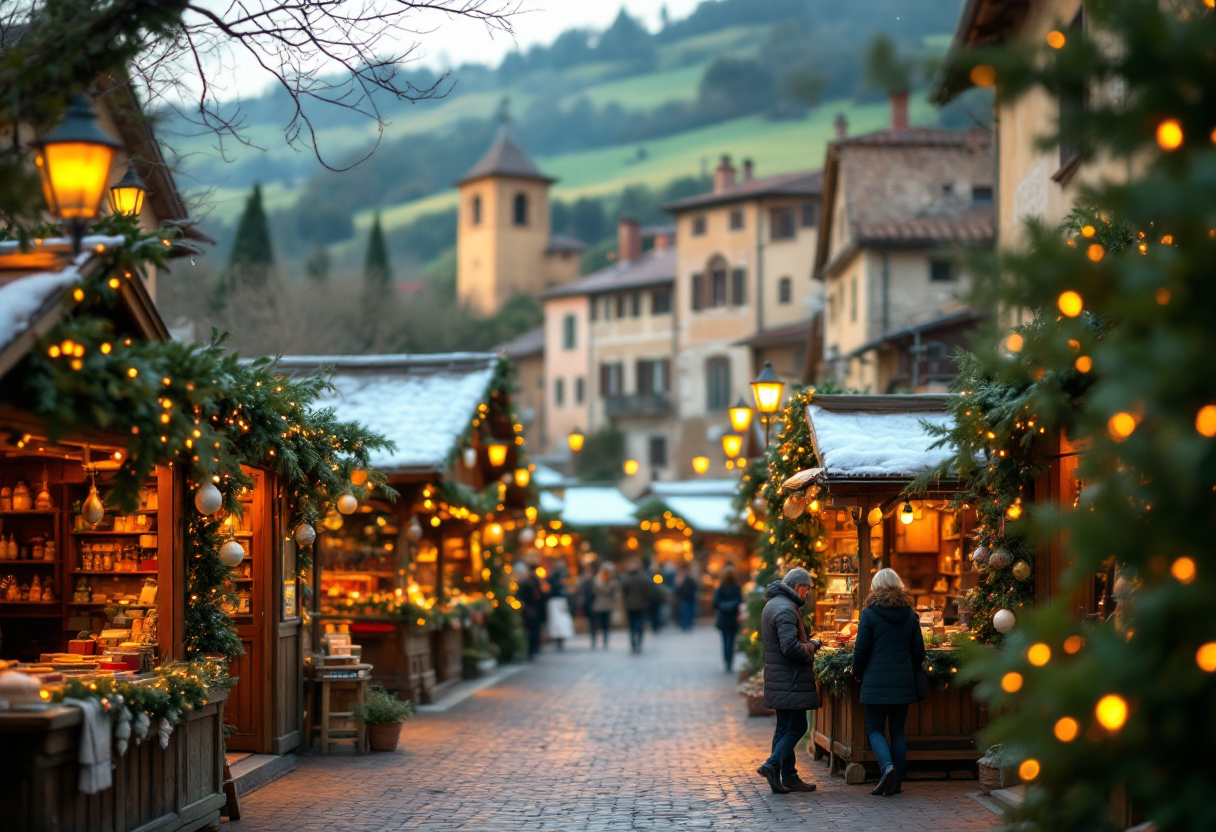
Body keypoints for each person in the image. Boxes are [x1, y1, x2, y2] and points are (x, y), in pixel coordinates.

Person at [851, 568, 926, 797]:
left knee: (875, 729)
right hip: (903, 682)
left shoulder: (869, 614)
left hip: (875, 681)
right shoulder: (911, 615)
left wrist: (857, 671)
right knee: (898, 732)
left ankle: (887, 768)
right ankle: (897, 780)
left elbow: (861, 649)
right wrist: (907, 670)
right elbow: (919, 652)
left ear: (875, 587)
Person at [756, 567, 822, 795]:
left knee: (784, 728)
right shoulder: (785, 608)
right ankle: (772, 764)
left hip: (781, 679)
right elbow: (791, 648)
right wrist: (813, 644)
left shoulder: (776, 604)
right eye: (808, 589)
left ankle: (789, 776)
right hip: (789, 679)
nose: (808, 594)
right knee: (798, 726)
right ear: (799, 586)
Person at [621, 559, 655, 654]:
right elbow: (648, 593)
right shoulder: (643, 578)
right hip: (641, 606)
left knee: (631, 625)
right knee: (640, 624)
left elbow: (623, 593)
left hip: (630, 605)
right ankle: (639, 642)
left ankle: (633, 641)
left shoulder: (626, 578)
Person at [712, 568, 743, 672]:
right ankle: (730, 661)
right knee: (732, 641)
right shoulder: (736, 588)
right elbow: (740, 601)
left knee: (725, 641)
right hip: (733, 619)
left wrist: (723, 606)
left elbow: (715, 604)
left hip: (724, 618)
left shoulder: (720, 589)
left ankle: (726, 661)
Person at [517, 564, 547, 660]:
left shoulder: (535, 582)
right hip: (529, 610)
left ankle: (533, 649)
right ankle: (531, 649)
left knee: (534, 631)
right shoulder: (526, 583)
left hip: (534, 610)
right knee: (531, 631)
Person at [589, 564, 619, 649]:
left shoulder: (597, 582)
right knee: (604, 625)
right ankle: (604, 640)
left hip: (599, 605)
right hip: (605, 606)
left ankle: (597, 640)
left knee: (598, 624)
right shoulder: (612, 583)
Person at [545, 564, 575, 650]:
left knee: (558, 621)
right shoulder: (560, 583)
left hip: (555, 602)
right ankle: (559, 638)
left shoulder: (553, 582)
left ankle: (559, 638)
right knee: (558, 621)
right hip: (558, 602)